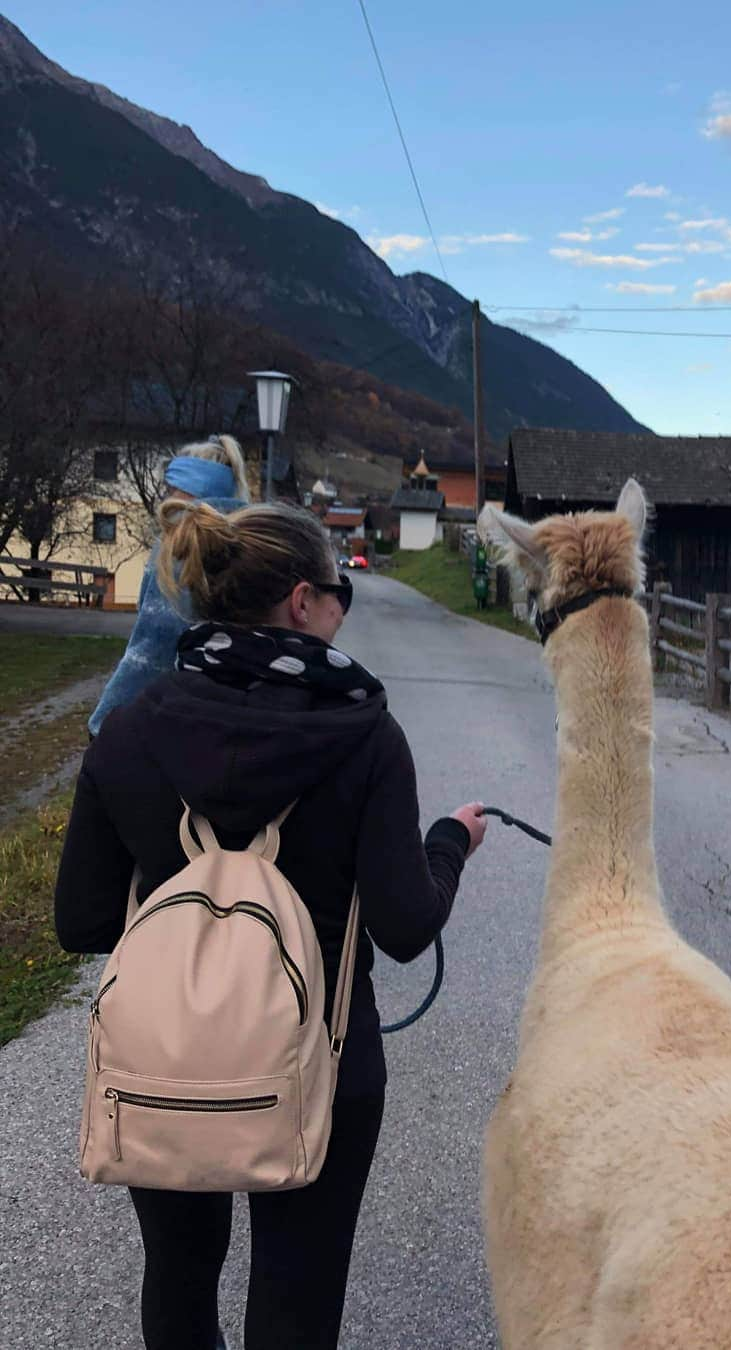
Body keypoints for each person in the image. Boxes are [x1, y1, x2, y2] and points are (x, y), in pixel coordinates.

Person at [55, 498, 487, 1350]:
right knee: (297, 1292)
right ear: (302, 601)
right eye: (340, 595)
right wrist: (449, 845)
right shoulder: (366, 737)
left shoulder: (130, 732)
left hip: (166, 1062)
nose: (341, 611)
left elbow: (80, 921)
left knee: (177, 1281)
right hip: (323, 1064)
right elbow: (405, 926)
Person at [88, 434, 251, 737]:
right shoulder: (251, 541)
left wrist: (103, 724)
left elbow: (152, 648)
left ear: (183, 490)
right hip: (244, 721)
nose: (164, 498)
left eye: (169, 488)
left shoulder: (182, 548)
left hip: (184, 719)